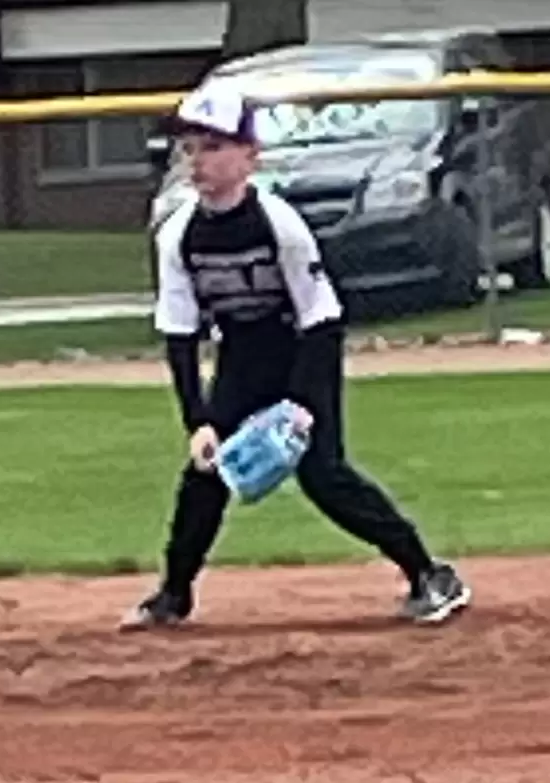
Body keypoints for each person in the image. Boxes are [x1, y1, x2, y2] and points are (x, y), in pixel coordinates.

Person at [119, 79, 471, 631]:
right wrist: (199, 421)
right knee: (206, 472)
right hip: (242, 354)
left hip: (302, 349)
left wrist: (304, 404)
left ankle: (428, 573)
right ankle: (173, 595)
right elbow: (180, 335)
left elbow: (320, 319)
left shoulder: (279, 224)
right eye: (189, 148)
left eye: (213, 146)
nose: (197, 161)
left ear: (250, 156)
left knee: (323, 474)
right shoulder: (179, 236)